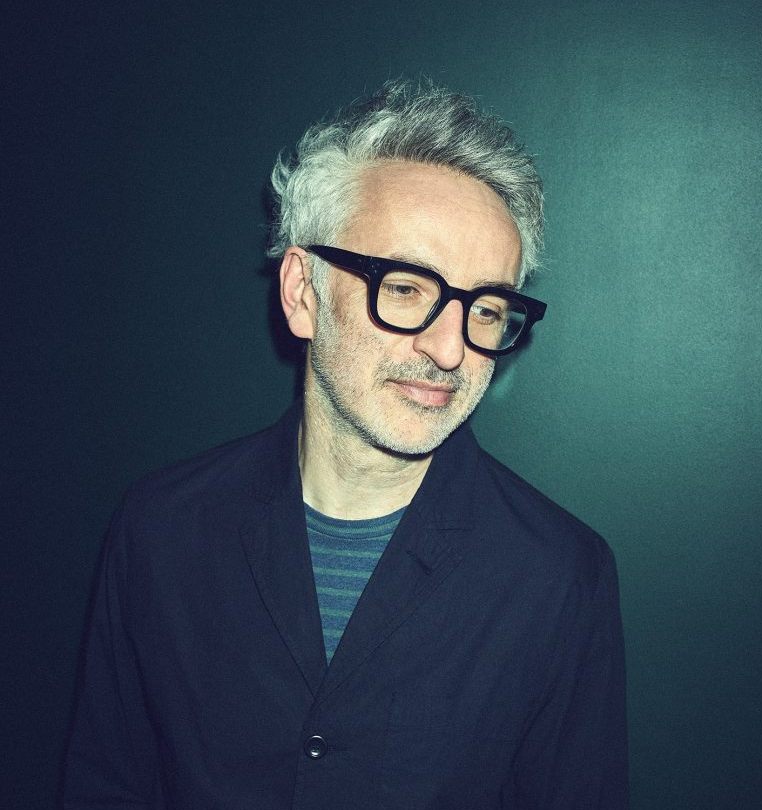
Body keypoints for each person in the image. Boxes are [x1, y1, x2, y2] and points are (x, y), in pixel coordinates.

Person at [63, 79, 628, 809]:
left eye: (486, 308)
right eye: (405, 288)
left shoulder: (560, 575)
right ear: (303, 292)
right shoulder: (161, 530)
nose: (449, 349)